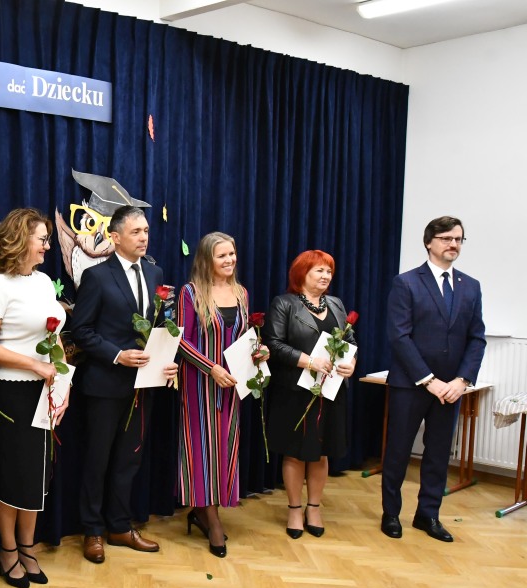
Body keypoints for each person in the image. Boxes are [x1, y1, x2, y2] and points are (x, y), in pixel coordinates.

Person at [70, 205, 177, 564]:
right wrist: (117, 355)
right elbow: (81, 331)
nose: (144, 237)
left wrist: (166, 361)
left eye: (146, 231)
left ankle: (119, 526)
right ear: (115, 237)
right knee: (97, 460)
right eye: (136, 232)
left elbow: (160, 327)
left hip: (143, 386)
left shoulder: (155, 272)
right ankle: (92, 530)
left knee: (129, 460)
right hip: (104, 385)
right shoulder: (97, 276)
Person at [0, 207, 69, 588]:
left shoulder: (44, 282)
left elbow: (54, 339)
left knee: (36, 476)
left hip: (44, 389)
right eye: (42, 239)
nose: (47, 246)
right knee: (12, 476)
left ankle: (28, 548)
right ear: (19, 240)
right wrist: (35, 365)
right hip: (10, 393)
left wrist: (63, 385)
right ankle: (7, 550)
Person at [380, 216, 485, 543]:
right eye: (446, 238)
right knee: (398, 451)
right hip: (411, 385)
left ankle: (428, 514)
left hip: (451, 389)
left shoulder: (471, 286)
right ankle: (391, 513)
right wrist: (428, 380)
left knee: (439, 454)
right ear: (429, 242)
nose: (453, 244)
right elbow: (399, 337)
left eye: (458, 239)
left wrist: (462, 380)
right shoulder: (406, 282)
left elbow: (476, 338)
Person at [176, 231, 263, 558]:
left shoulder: (241, 293)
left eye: (232, 254)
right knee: (201, 449)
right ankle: (210, 519)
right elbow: (181, 341)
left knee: (224, 448)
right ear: (207, 259)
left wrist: (258, 350)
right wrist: (210, 367)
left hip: (231, 384)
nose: (230, 260)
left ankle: (203, 511)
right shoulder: (190, 292)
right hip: (199, 383)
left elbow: (244, 336)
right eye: (222, 255)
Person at [265, 250, 356, 539]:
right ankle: (294, 509)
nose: (326, 276)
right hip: (295, 390)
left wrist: (352, 362)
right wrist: (309, 361)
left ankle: (314, 507)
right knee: (295, 452)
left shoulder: (336, 304)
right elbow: (274, 344)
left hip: (330, 391)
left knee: (321, 452)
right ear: (302, 273)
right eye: (319, 270)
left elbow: (350, 339)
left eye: (329, 271)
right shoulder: (284, 304)